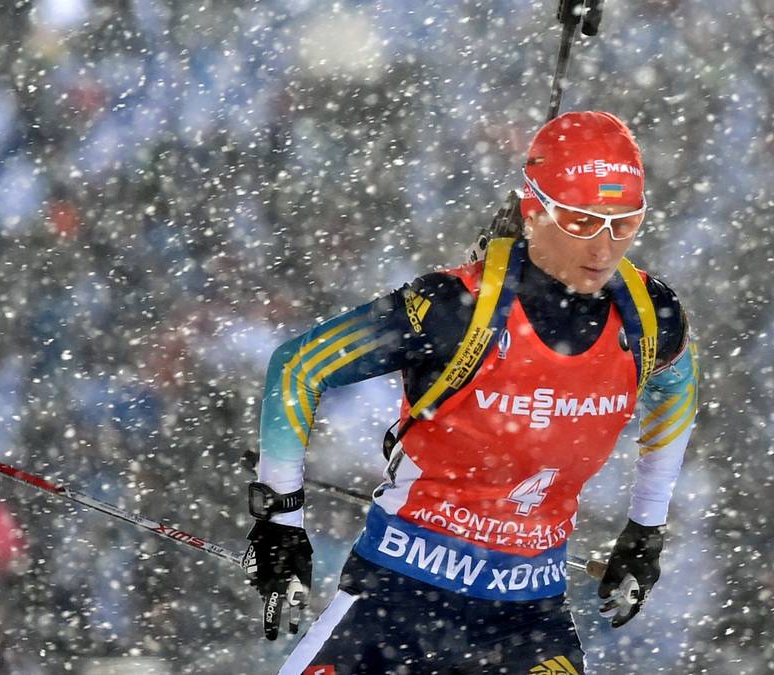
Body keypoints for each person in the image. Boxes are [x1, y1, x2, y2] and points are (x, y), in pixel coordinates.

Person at [243, 111, 699, 674]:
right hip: (397, 601)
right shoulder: (455, 308)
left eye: (624, 224)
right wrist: (280, 523)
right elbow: (298, 367)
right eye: (581, 222)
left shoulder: (650, 314)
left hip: (527, 618)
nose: (605, 248)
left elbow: (676, 392)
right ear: (534, 210)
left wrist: (646, 529)